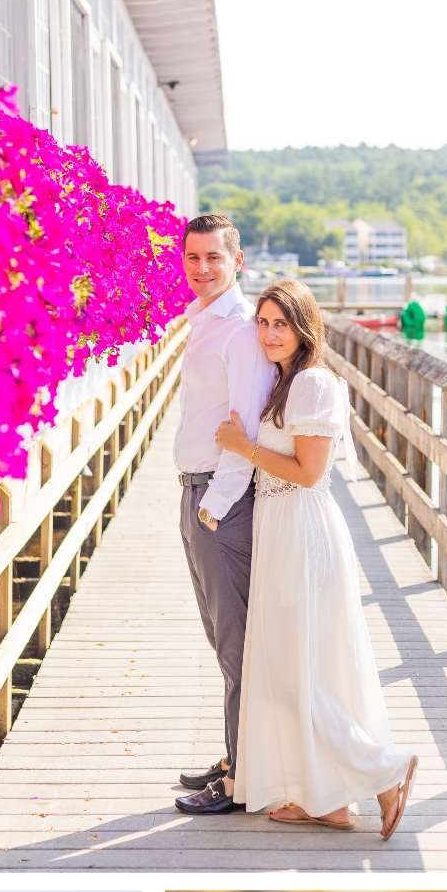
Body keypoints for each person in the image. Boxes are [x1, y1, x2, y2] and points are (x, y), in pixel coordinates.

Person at [212, 279, 419, 837]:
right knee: (291, 667)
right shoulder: (283, 384)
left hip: (304, 531)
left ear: (304, 329)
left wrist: (242, 447)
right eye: (263, 322)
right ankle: (325, 799)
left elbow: (310, 473)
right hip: (278, 527)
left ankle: (384, 772)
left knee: (296, 669)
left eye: (281, 323)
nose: (269, 333)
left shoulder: (314, 383)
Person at [170, 214, 277, 818]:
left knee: (235, 642)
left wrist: (212, 508)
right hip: (198, 492)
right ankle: (238, 755)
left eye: (214, 258)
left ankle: (240, 780)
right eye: (193, 257)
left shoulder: (238, 330)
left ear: (238, 262)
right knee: (221, 636)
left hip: (220, 501)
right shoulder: (205, 321)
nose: (202, 268)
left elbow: (247, 427)